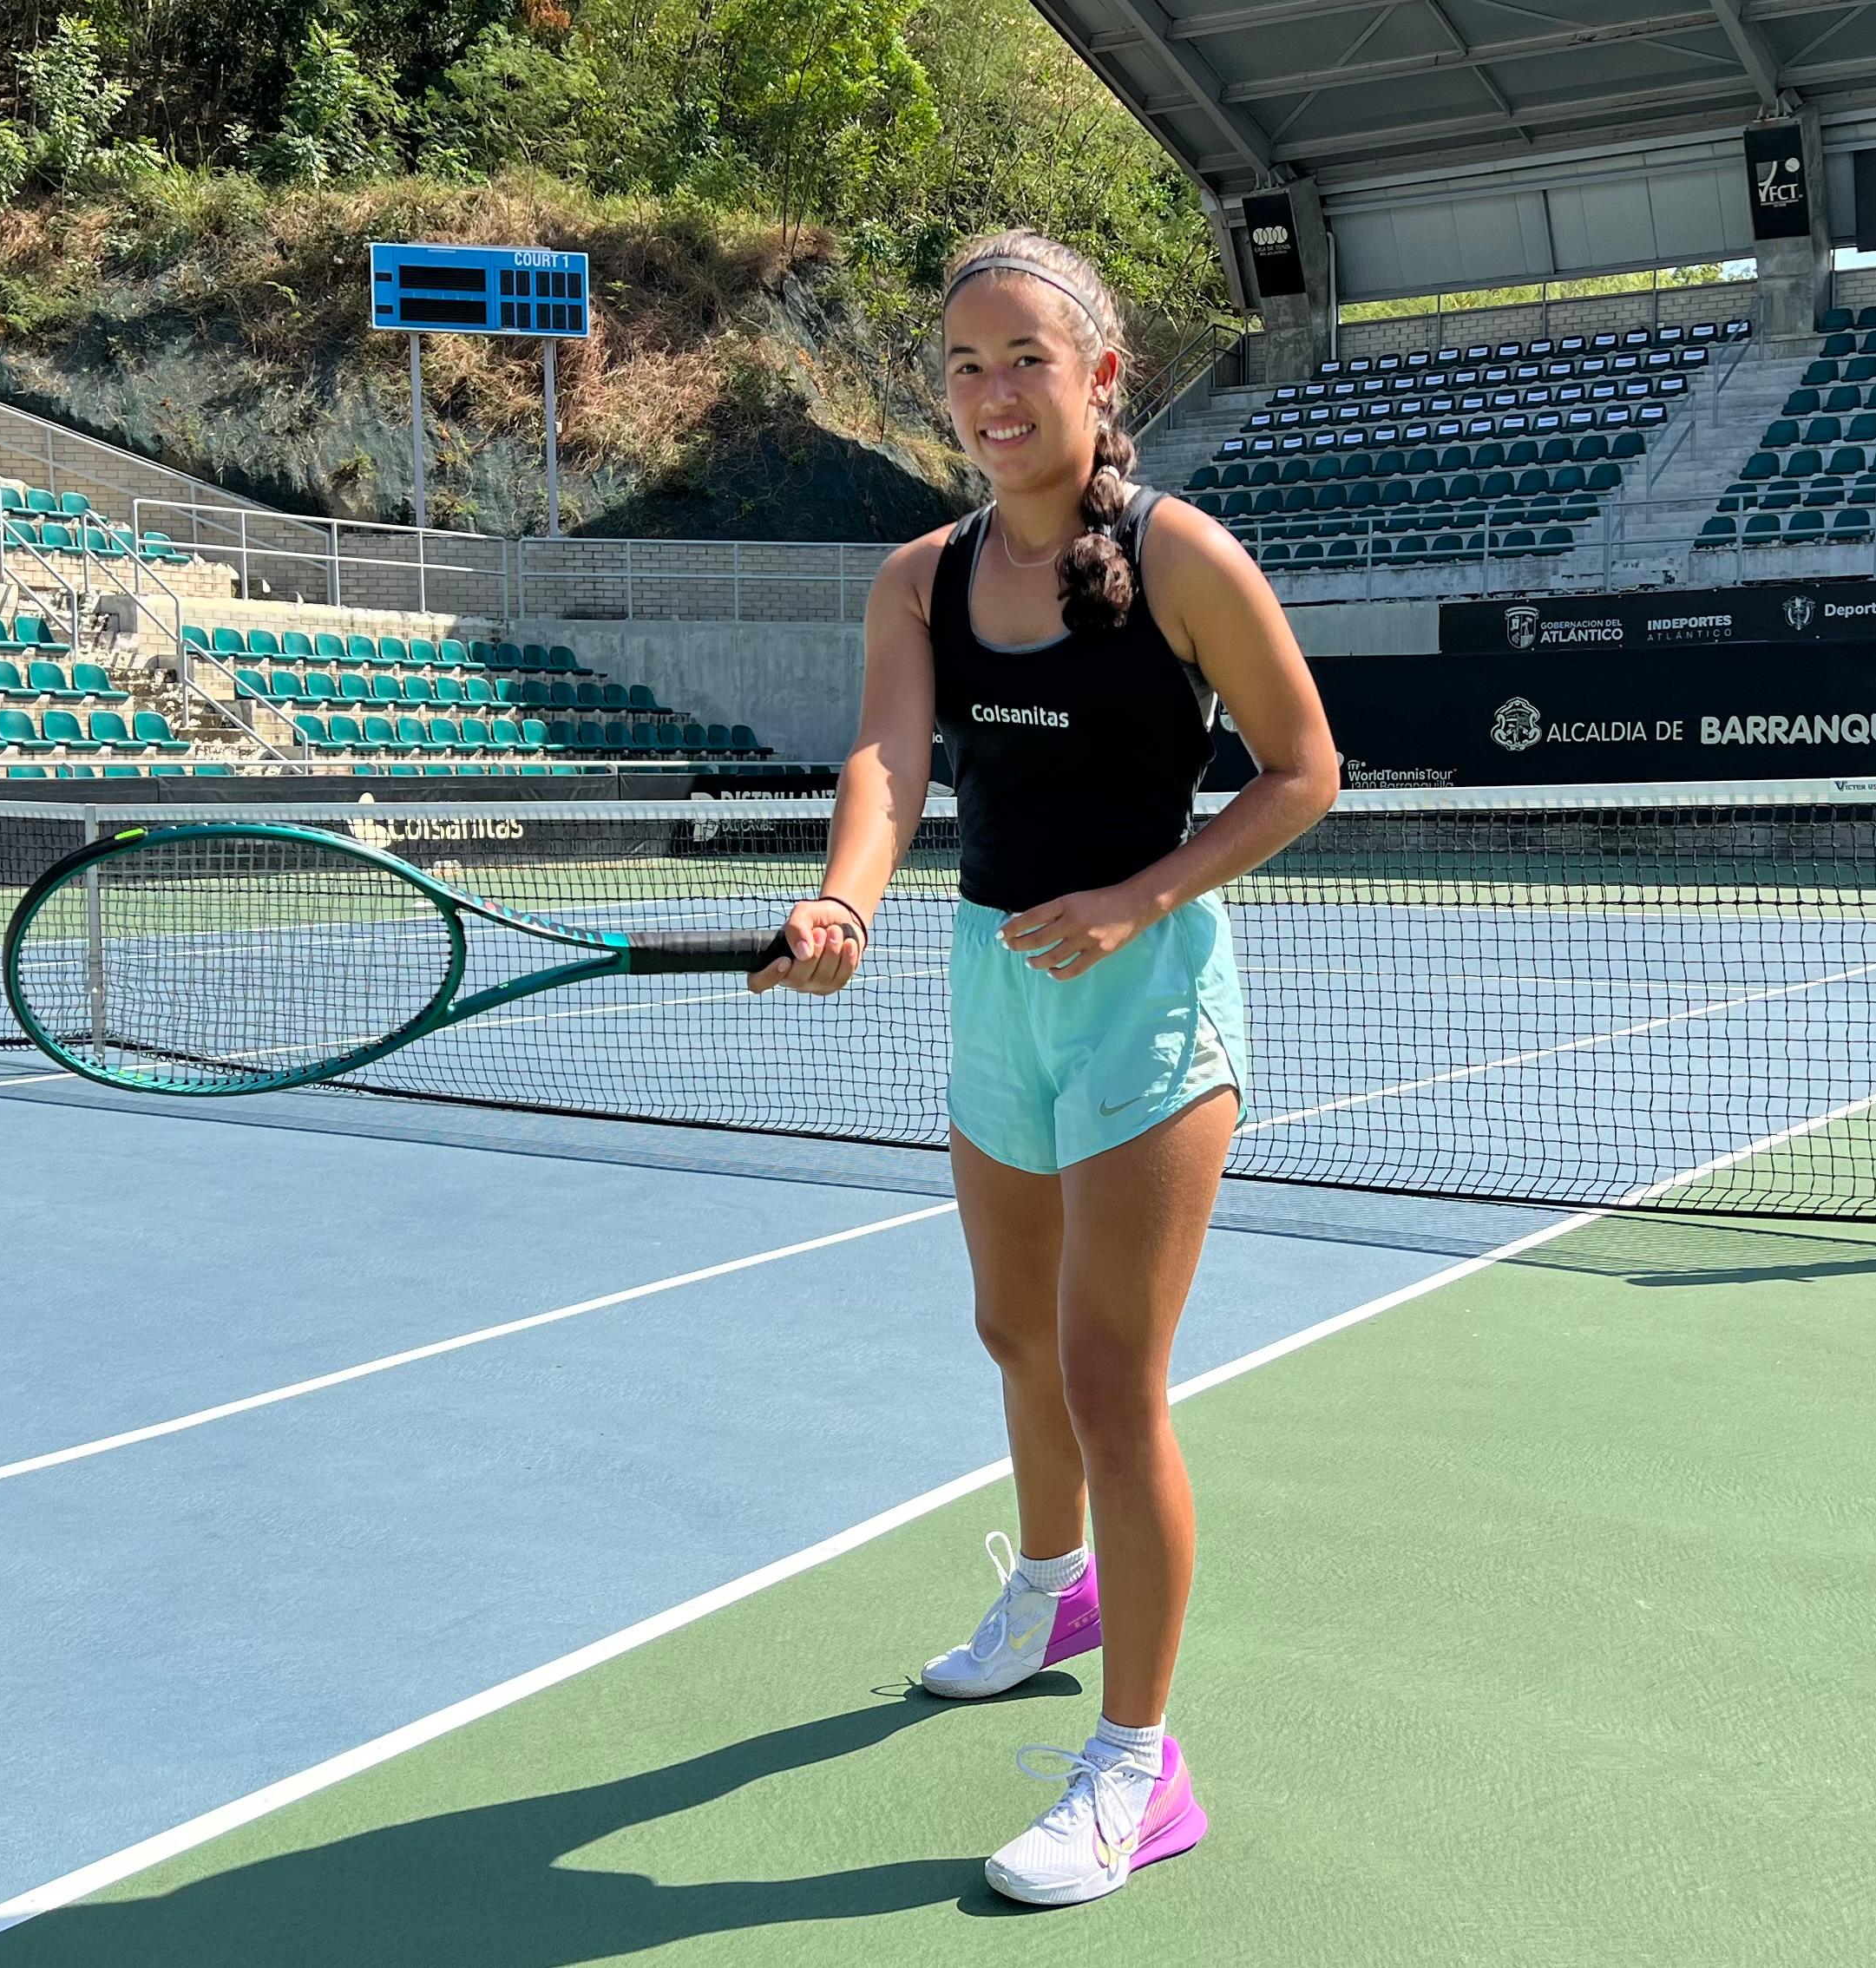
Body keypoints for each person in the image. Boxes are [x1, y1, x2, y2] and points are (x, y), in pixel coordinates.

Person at [749, 228, 1339, 1906]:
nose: (994, 393)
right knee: (1012, 1332)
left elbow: (1305, 771)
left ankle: (1140, 1771)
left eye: (1026, 359)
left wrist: (1139, 898)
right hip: (989, 988)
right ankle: (1057, 1593)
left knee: (1106, 1380)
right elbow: (885, 751)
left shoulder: (1183, 560)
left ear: (1101, 376)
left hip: (1146, 993)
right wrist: (842, 898)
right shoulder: (918, 576)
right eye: (965, 365)